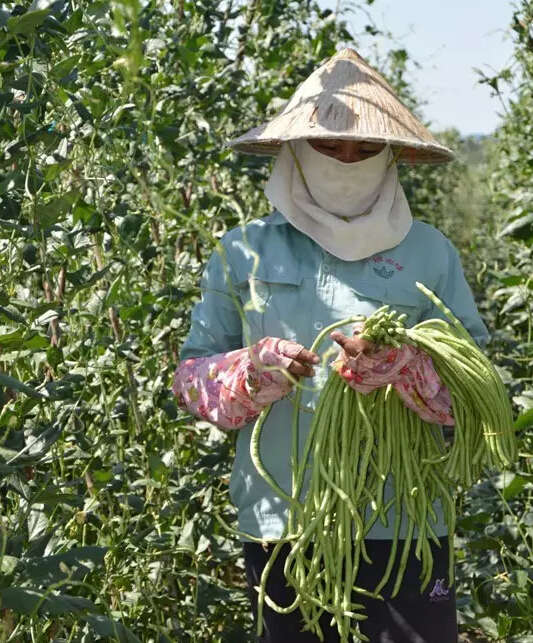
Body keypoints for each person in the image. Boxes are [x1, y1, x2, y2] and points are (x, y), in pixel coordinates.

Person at [173, 48, 488, 643]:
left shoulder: (429, 252)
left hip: (404, 522)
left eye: (366, 150)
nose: (347, 161)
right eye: (330, 147)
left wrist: (407, 367)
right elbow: (191, 379)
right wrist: (251, 371)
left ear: (391, 156)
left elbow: (474, 395)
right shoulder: (244, 251)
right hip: (283, 521)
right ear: (296, 150)